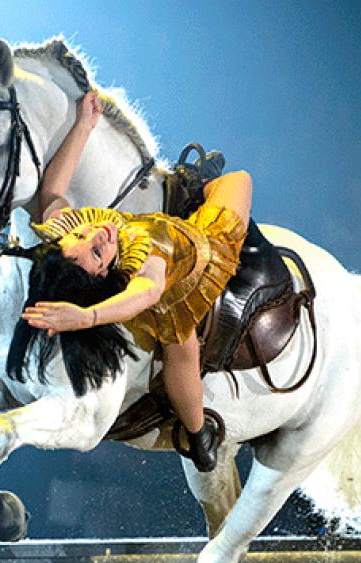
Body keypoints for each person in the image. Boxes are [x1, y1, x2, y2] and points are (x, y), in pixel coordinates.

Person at [14, 92, 252, 472]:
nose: (98, 235)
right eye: (96, 254)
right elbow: (151, 289)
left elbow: (52, 193)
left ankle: (189, 186)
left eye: (80, 240)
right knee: (180, 340)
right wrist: (86, 318)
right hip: (192, 257)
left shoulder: (71, 230)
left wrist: (84, 127)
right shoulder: (147, 247)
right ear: (104, 274)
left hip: (151, 258)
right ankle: (197, 431)